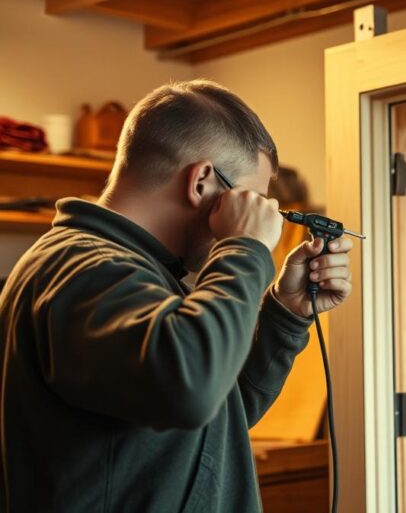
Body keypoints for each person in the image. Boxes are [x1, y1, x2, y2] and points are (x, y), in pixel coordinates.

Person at [0, 80, 353, 512]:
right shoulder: (86, 270)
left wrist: (284, 313)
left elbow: (216, 414)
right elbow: (192, 391)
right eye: (251, 199)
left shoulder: (136, 274)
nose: (261, 218)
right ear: (203, 180)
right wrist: (246, 246)